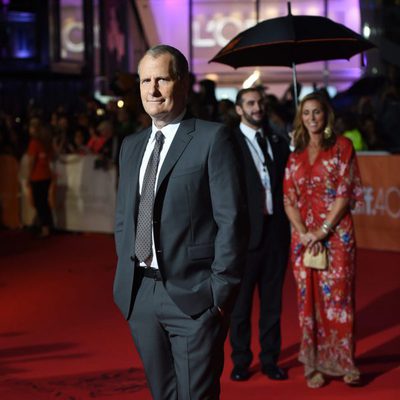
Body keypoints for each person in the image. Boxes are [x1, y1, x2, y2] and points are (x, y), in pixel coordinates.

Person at [113, 44, 248, 400]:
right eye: (145, 80)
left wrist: (219, 294)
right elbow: (124, 218)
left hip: (194, 297)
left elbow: (231, 220)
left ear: (183, 83)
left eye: (162, 79)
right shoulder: (130, 145)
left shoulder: (212, 138)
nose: (152, 90)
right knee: (163, 395)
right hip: (140, 294)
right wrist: (127, 279)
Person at [283, 92, 363, 388]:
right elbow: (288, 199)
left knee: (338, 301)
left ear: (326, 115)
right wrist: (304, 232)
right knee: (308, 303)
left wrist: (322, 231)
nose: (312, 118)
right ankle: (312, 364)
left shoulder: (343, 147)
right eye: (306, 113)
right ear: (300, 118)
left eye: (317, 112)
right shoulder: (295, 155)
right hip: (302, 238)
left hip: (337, 236)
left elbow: (345, 194)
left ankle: (346, 363)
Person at [229, 88, 290, 382]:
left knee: (272, 305)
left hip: (276, 236)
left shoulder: (278, 140)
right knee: (240, 307)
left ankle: (270, 359)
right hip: (243, 239)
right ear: (239, 109)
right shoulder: (228, 144)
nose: (257, 107)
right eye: (250, 103)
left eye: (260, 103)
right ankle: (241, 361)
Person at [26, 117, 54, 238]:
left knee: (39, 203)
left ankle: (45, 228)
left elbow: (31, 161)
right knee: (43, 202)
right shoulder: (46, 142)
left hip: (37, 177)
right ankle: (45, 225)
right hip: (46, 176)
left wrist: (28, 176)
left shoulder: (34, 143)